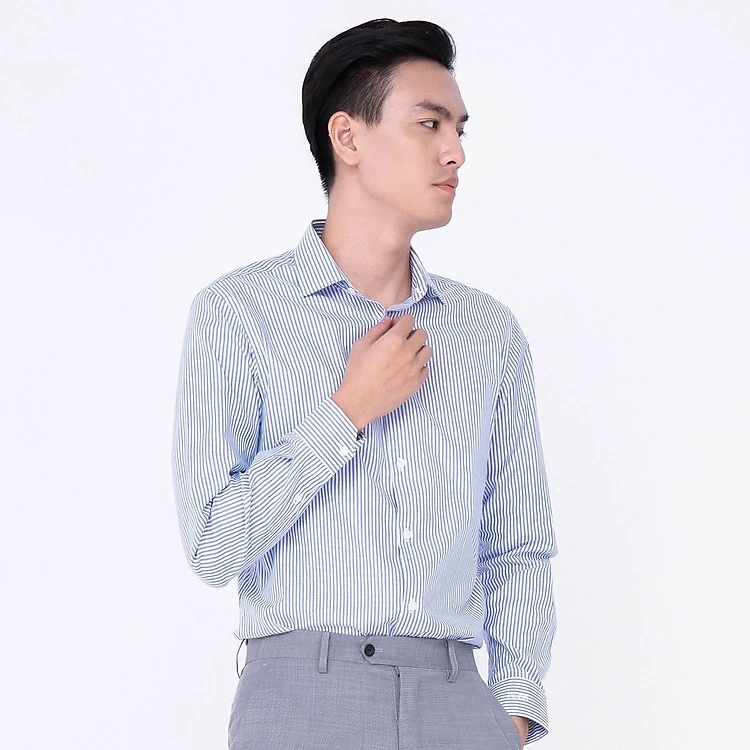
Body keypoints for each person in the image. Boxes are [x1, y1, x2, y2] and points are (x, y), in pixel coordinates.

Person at [171, 17, 558, 749]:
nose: (455, 151)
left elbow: (518, 545)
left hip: (457, 702)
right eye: (429, 124)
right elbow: (213, 547)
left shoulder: (486, 333)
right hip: (301, 700)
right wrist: (346, 412)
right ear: (347, 138)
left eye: (460, 129)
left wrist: (510, 714)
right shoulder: (238, 314)